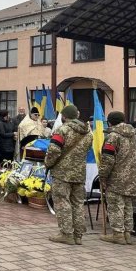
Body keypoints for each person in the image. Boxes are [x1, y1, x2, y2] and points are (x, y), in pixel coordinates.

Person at [44, 104, 93, 245]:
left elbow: (54, 150)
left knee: (62, 201)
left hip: (62, 173)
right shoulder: (88, 131)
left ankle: (66, 233)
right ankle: (78, 235)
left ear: (64, 116)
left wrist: (48, 163)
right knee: (77, 203)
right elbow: (87, 149)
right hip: (79, 172)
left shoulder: (62, 130)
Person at [99, 111, 136, 245]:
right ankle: (127, 233)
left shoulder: (113, 137)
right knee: (128, 206)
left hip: (117, 177)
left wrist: (102, 175)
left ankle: (117, 234)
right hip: (131, 177)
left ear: (110, 122)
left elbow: (107, 159)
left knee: (116, 205)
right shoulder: (133, 135)